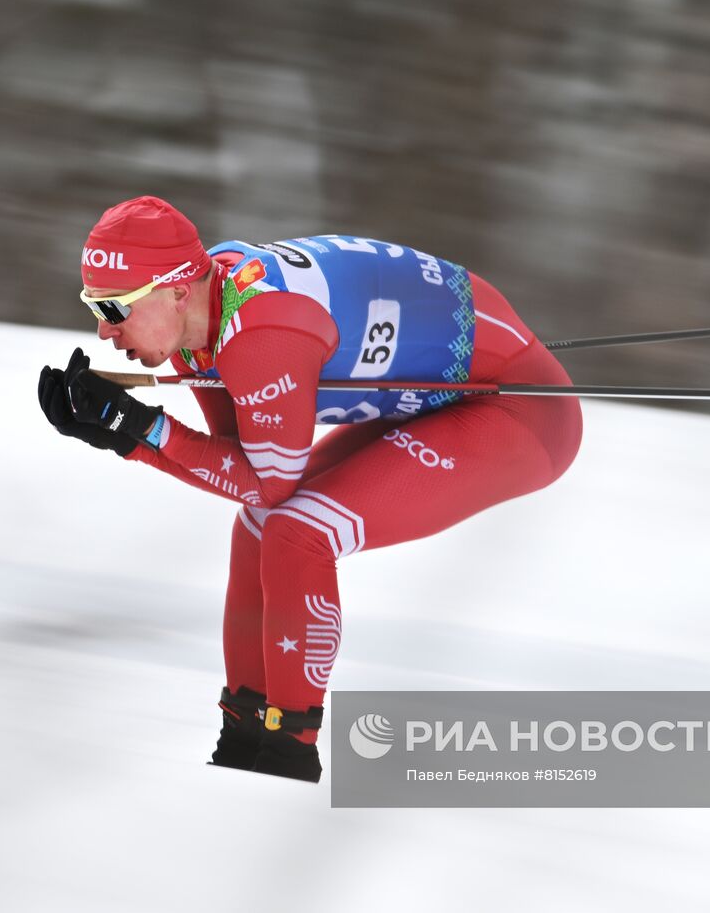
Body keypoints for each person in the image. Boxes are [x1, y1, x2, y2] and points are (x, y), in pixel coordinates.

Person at [37, 196, 583, 783]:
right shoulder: (207, 314)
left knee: (300, 533)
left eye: (115, 307)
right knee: (258, 528)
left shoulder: (260, 332)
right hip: (441, 390)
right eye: (94, 304)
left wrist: (139, 432)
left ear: (175, 289)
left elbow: (268, 485)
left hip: (518, 411)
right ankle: (241, 742)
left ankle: (288, 755)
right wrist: (127, 434)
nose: (103, 328)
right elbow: (243, 467)